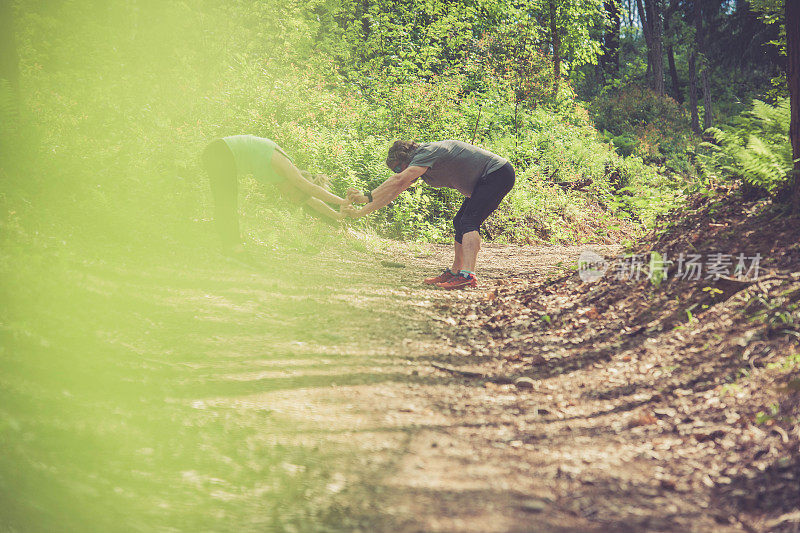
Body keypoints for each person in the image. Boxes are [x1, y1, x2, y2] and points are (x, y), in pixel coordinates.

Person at [343, 139, 515, 289]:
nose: (398, 173)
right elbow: (391, 193)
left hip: (497, 173)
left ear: (406, 159)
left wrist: (367, 196)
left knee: (469, 221)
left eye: (398, 168)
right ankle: (457, 272)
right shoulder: (420, 164)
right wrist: (360, 213)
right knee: (459, 221)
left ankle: (468, 275)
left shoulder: (425, 153)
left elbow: (398, 180)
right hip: (487, 179)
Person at [201, 135, 349, 252]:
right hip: (221, 152)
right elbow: (311, 189)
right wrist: (343, 201)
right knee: (227, 204)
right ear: (296, 185)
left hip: (220, 155)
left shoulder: (281, 178)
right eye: (290, 195)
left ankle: (227, 246)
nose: (286, 197)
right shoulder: (286, 168)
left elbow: (313, 200)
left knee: (225, 203)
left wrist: (338, 216)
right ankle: (233, 249)